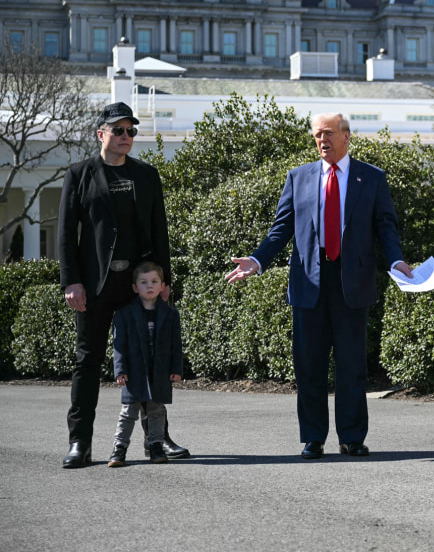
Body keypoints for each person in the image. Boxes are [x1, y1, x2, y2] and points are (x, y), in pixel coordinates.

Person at [225, 112, 413, 459]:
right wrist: (257, 260)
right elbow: (281, 229)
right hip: (309, 281)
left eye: (327, 134)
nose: (321, 141)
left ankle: (352, 438)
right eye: (316, 135)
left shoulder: (371, 178)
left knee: (351, 365)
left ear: (346, 136)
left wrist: (397, 260)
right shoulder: (299, 177)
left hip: (351, 281)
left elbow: (386, 227)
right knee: (308, 364)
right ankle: (313, 438)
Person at [58, 101, 189, 468]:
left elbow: (159, 231)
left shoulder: (147, 175)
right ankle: (79, 442)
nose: (126, 137)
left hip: (141, 286)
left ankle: (158, 440)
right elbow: (67, 235)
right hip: (97, 287)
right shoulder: (79, 174)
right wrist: (73, 281)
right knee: (89, 361)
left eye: (131, 131)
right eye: (118, 130)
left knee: (149, 362)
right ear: (101, 134)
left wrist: (163, 280)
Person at [107, 262, 183, 467]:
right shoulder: (124, 314)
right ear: (135, 287)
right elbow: (119, 345)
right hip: (134, 372)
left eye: (154, 282)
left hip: (159, 371)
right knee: (128, 412)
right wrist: (120, 370)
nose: (149, 286)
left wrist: (176, 369)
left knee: (157, 411)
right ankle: (119, 449)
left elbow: (176, 345)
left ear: (162, 286)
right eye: (143, 282)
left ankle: (156, 445)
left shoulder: (170, 314)